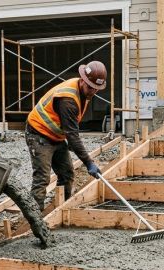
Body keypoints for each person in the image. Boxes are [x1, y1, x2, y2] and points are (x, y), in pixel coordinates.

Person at [25, 60, 106, 210]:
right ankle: (35, 219)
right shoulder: (68, 99)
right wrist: (88, 162)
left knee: (67, 174)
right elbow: (72, 135)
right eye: (90, 87)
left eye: (96, 89)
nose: (92, 92)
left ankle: (62, 210)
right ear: (83, 80)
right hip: (38, 133)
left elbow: (70, 131)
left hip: (55, 136)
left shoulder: (84, 92)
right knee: (42, 178)